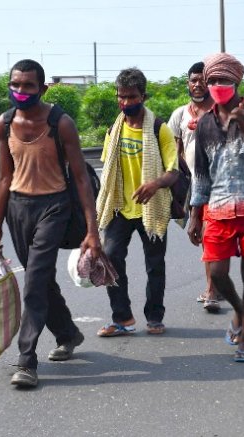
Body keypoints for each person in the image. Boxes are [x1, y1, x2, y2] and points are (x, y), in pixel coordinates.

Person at [0, 59, 101, 388]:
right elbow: (3, 178)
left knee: (34, 282)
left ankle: (27, 361)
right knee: (41, 282)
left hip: (54, 206)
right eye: (15, 85)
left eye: (28, 86)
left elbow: (81, 178)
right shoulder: (4, 123)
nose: (20, 91)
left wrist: (92, 231)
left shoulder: (60, 123)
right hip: (18, 209)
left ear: (42, 88)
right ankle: (68, 333)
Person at [188, 53, 244, 362]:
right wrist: (195, 215)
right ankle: (238, 310)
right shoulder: (205, 124)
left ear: (236, 83)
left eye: (225, 80)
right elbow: (201, 174)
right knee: (218, 274)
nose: (218, 85)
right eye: (213, 81)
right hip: (219, 208)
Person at [95, 68, 179, 337]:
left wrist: (155, 184)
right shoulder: (114, 130)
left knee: (155, 265)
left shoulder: (159, 129)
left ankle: (155, 317)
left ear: (144, 96)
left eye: (132, 97)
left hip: (152, 209)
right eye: (122, 97)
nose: (126, 103)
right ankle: (123, 318)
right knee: (110, 258)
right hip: (120, 207)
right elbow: (107, 169)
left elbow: (173, 171)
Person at [167, 62, 222, 312]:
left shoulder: (222, 111)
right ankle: (214, 284)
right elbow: (172, 150)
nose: (197, 84)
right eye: (193, 80)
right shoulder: (180, 114)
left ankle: (212, 288)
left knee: (212, 236)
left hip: (222, 184)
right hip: (195, 185)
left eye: (203, 80)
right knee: (205, 236)